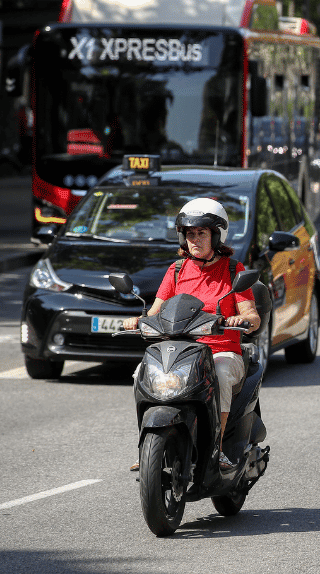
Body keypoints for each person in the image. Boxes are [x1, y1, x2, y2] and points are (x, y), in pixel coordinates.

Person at [124, 198, 260, 472]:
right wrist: (137, 321)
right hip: (181, 351)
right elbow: (155, 312)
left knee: (219, 374)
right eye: (190, 234)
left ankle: (217, 448)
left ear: (216, 236)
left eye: (202, 233)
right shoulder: (176, 270)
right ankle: (147, 442)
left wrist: (240, 318)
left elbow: (252, 316)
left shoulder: (234, 271)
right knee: (142, 371)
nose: (195, 239)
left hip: (221, 351)